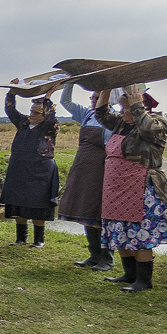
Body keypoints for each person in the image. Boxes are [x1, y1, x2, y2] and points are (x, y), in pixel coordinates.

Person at [94, 86, 167, 291]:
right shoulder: (122, 123)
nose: (122, 112)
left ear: (142, 107)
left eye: (126, 108)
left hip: (142, 188)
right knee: (121, 232)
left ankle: (144, 280)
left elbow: (147, 129)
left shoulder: (157, 123)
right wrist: (106, 88)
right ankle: (129, 275)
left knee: (141, 235)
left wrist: (137, 106)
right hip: (116, 188)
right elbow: (101, 113)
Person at [57, 84, 113, 271]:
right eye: (92, 97)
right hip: (84, 167)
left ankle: (107, 258)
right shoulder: (87, 114)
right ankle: (94, 255)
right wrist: (70, 82)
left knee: (100, 213)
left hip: (103, 168)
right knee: (86, 210)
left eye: (97, 98)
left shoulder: (114, 119)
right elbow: (66, 102)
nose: (93, 100)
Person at [0, 91, 59, 248]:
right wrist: (11, 93)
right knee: (18, 203)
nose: (31, 114)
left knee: (38, 205)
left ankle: (39, 240)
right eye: (31, 110)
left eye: (36, 112)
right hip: (19, 168)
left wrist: (47, 99)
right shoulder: (23, 123)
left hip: (41, 170)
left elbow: (51, 116)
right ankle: (21, 238)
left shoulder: (50, 126)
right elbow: (10, 110)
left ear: (44, 114)